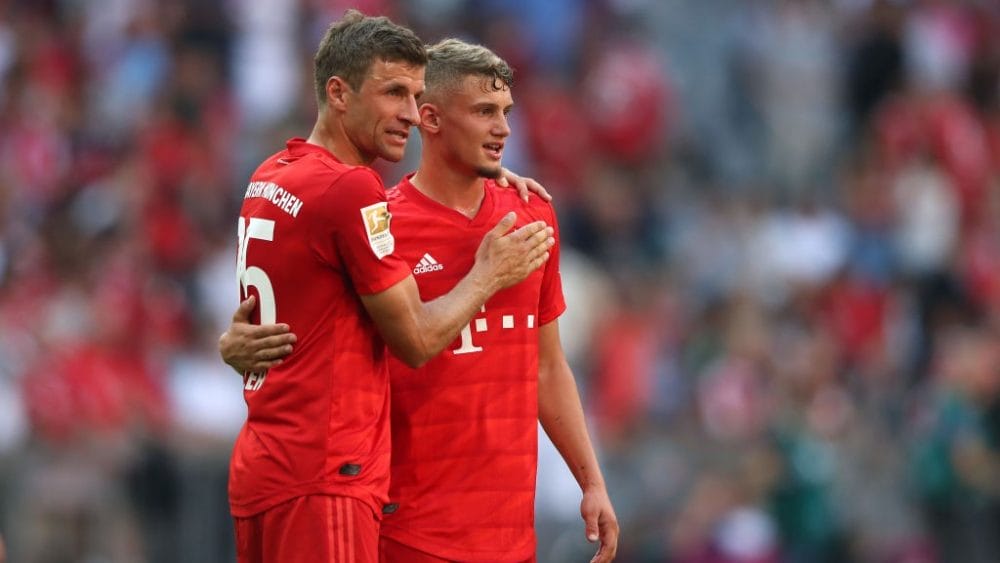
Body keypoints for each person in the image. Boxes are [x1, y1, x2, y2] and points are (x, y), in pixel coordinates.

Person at [222, 38, 618, 562]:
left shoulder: (532, 219)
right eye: (483, 112)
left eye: (505, 112)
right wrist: (232, 344)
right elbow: (308, 325)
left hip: (510, 538)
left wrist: (591, 480)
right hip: (402, 527)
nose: (503, 128)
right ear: (431, 120)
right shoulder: (377, 226)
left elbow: (547, 367)